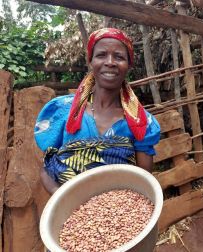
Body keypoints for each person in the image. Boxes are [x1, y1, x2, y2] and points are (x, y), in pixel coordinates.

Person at [34, 28, 160, 194]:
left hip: (120, 213)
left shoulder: (140, 122)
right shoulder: (63, 111)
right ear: (90, 61)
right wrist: (66, 202)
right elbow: (47, 168)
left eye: (119, 57)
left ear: (129, 65)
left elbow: (143, 179)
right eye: (101, 55)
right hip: (69, 212)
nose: (110, 62)